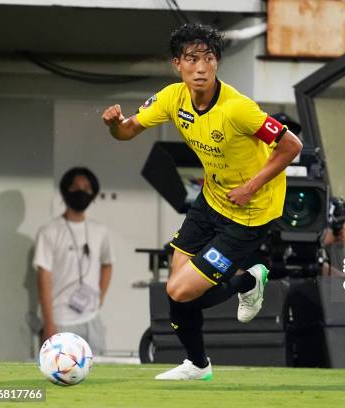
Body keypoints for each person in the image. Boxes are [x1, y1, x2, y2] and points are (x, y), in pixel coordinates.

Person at [101, 23, 302, 380]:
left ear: (216, 64)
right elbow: (128, 131)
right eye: (191, 59)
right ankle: (197, 364)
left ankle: (249, 282)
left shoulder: (239, 108)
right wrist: (114, 125)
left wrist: (251, 186)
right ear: (177, 64)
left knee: (180, 292)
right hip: (212, 200)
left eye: (208, 59)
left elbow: (291, 146)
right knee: (175, 287)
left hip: (249, 212)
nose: (200, 67)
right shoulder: (171, 98)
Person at [34, 167, 114, 355]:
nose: (81, 191)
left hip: (92, 320)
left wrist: (99, 299)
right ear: (64, 191)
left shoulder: (99, 230)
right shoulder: (49, 231)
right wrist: (49, 324)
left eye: (87, 188)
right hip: (60, 321)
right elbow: (43, 277)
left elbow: (108, 264)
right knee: (60, 378)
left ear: (93, 194)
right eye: (75, 187)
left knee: (97, 377)